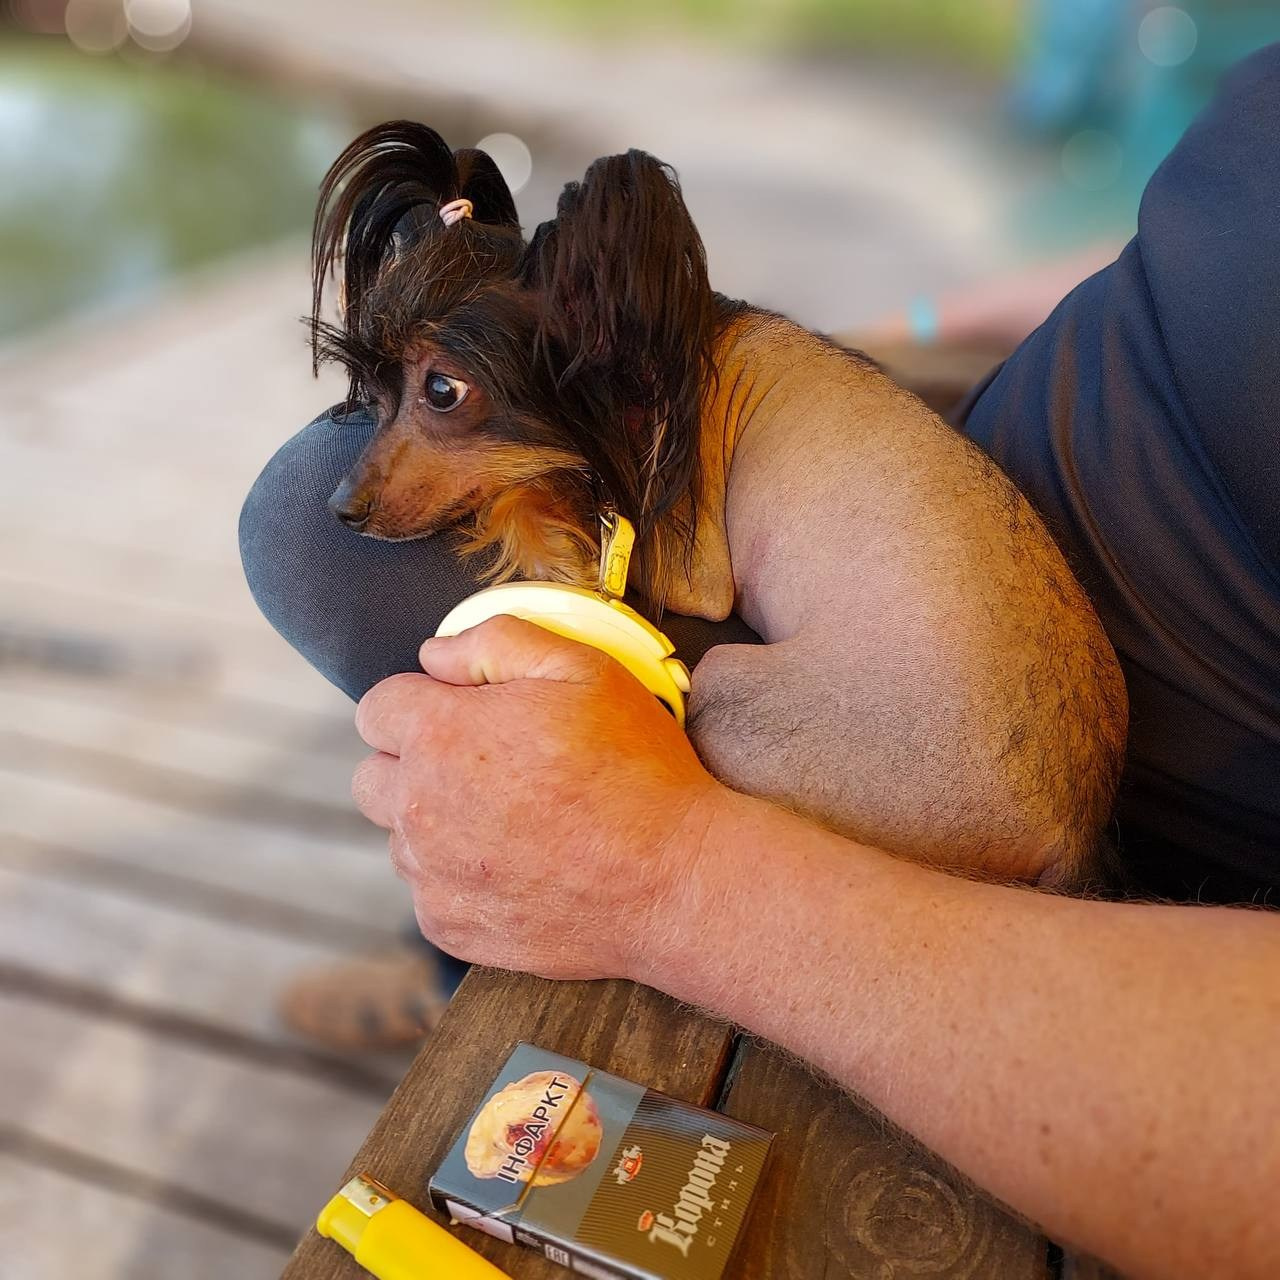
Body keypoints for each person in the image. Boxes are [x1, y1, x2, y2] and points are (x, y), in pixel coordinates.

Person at [239, 46, 1280, 1277]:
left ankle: (474, 948)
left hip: (973, 769)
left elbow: (689, 576)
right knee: (327, 515)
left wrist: (670, 871)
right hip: (995, 526)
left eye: (440, 394)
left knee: (373, 561)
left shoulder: (674, 408)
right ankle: (457, 944)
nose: (384, 463)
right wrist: (925, 329)